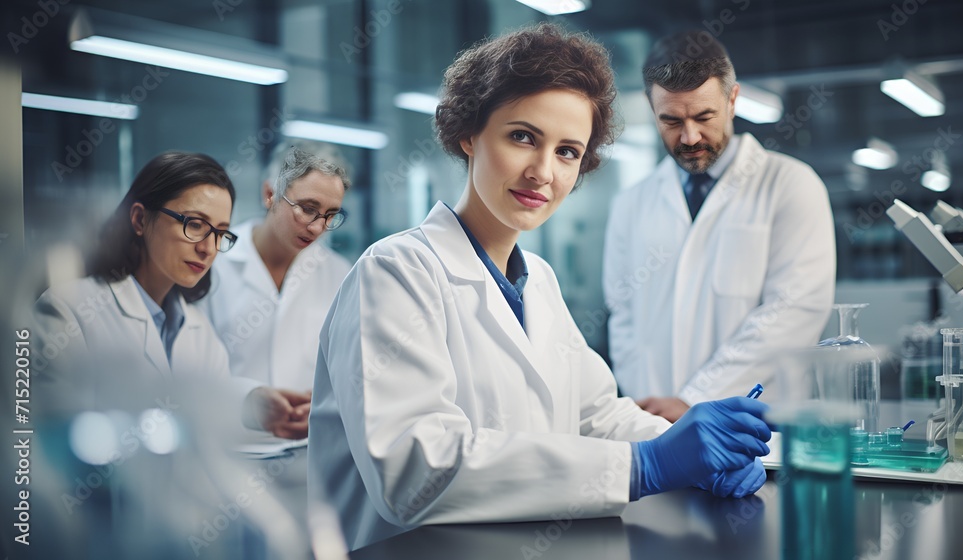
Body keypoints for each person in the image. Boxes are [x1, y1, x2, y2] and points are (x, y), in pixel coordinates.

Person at [309, 23, 772, 551]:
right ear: (469, 133)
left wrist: (691, 454)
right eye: (523, 137)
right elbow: (414, 472)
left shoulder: (538, 281)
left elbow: (596, 415)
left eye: (568, 151)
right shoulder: (393, 274)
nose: (543, 172)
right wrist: (646, 466)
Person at [603, 31, 836, 422]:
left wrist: (695, 400)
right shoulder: (630, 203)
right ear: (651, 106)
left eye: (703, 117)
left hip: (753, 427)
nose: (689, 136)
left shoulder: (791, 185)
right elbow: (622, 317)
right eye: (671, 120)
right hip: (656, 427)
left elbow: (793, 311)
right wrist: (650, 409)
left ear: (732, 100)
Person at [33, 151, 293, 430]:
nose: (208, 248)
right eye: (195, 224)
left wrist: (256, 405)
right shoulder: (68, 310)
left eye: (220, 233)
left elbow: (213, 410)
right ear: (140, 220)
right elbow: (45, 436)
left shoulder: (198, 330)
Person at [201, 142, 353, 440]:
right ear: (269, 194)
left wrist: (328, 404)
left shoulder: (339, 273)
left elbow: (350, 369)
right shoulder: (213, 263)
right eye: (308, 209)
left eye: (330, 215)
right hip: (229, 443)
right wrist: (247, 399)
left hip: (308, 448)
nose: (317, 228)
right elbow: (189, 368)